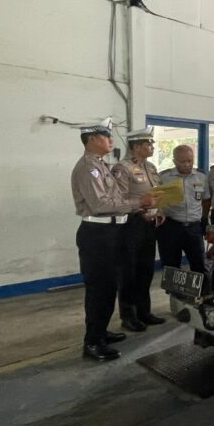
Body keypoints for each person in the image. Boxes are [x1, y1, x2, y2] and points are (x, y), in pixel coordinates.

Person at [71, 118, 157, 361]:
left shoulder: (100, 165)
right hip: (98, 235)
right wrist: (139, 202)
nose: (110, 140)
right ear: (92, 140)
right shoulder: (89, 168)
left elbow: (116, 199)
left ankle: (100, 332)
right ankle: (92, 343)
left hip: (111, 232)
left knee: (109, 287)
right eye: (105, 136)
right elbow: (100, 204)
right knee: (99, 289)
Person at [113, 126, 164, 332]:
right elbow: (119, 199)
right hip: (130, 224)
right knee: (129, 272)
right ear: (136, 146)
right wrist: (139, 207)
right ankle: (128, 315)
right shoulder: (122, 168)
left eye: (151, 143)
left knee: (145, 270)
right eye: (148, 143)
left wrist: (159, 210)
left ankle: (144, 311)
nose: (152, 146)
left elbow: (156, 194)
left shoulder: (151, 167)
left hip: (149, 224)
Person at [157, 145, 210, 274]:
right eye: (183, 161)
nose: (187, 164)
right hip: (171, 227)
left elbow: (206, 199)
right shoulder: (164, 178)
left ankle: (202, 293)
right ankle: (174, 294)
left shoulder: (201, 177)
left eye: (190, 160)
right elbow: (156, 200)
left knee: (199, 265)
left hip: (194, 228)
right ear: (174, 161)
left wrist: (204, 219)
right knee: (171, 266)